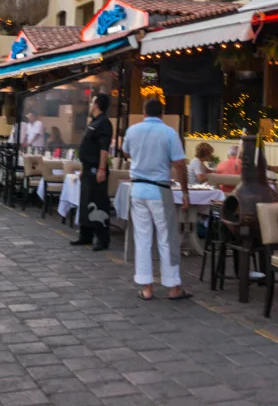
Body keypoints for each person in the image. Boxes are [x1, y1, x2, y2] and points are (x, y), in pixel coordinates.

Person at [123, 98, 191, 301]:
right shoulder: (169, 133)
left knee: (142, 238)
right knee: (166, 238)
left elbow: (126, 151)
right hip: (160, 190)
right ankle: (173, 287)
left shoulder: (132, 130)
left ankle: (147, 287)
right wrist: (185, 192)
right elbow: (179, 164)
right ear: (162, 114)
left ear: (144, 112)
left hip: (137, 188)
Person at [71, 93, 113, 251]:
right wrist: (84, 169)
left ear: (96, 104)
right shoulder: (94, 122)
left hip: (97, 169)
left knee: (98, 203)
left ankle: (102, 239)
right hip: (88, 168)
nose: (90, 105)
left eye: (92, 102)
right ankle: (85, 235)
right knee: (86, 203)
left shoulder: (104, 123)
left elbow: (104, 149)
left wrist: (101, 168)